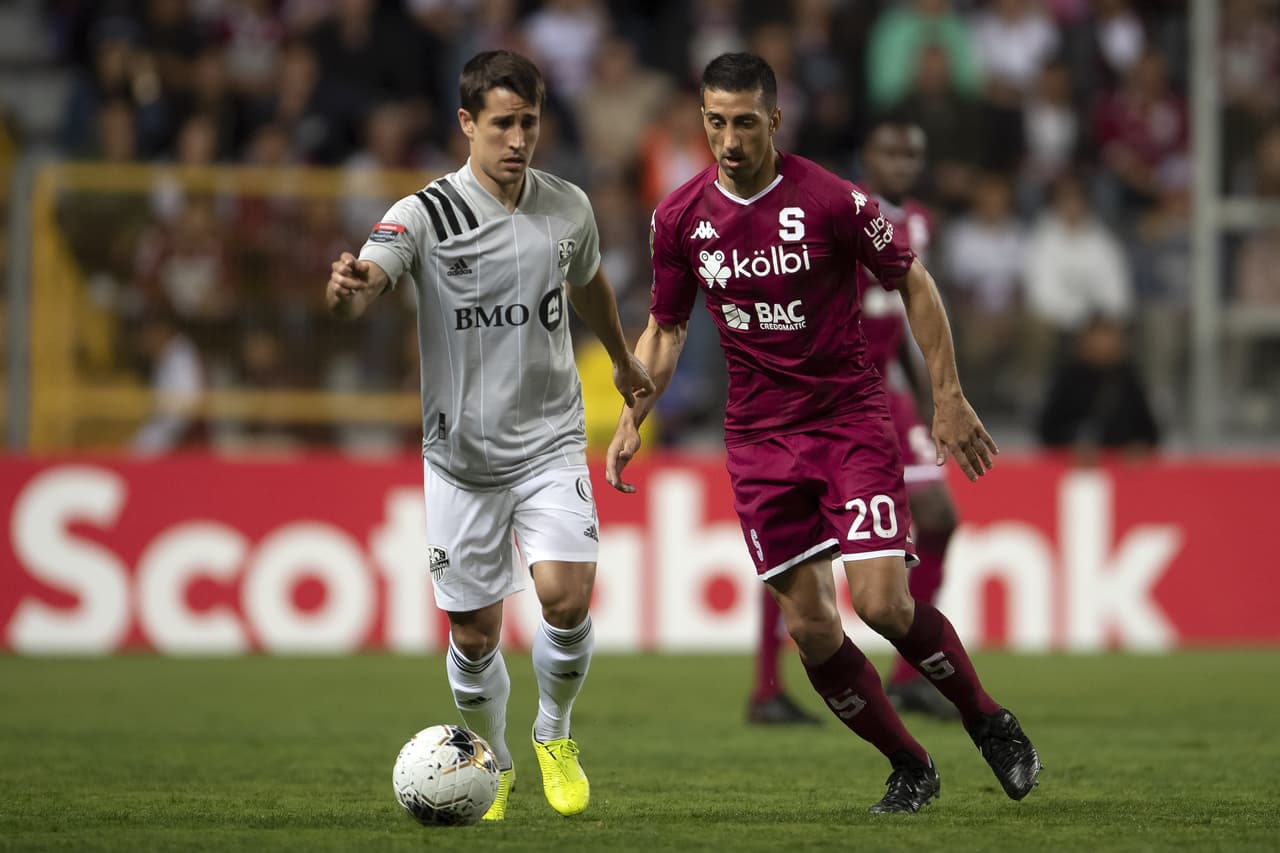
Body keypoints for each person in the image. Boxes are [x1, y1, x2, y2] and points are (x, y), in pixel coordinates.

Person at [607, 53, 1040, 814]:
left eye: (745, 122)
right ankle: (910, 763)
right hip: (758, 441)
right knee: (810, 628)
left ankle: (987, 719)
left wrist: (947, 396)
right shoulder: (678, 217)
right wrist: (632, 414)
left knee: (881, 604)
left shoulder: (835, 200)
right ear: (700, 120)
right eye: (715, 122)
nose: (730, 139)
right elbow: (666, 328)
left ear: (775, 119)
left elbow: (913, 278)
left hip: (847, 422)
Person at [326, 50, 653, 822]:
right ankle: (495, 760)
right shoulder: (423, 213)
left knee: (564, 598)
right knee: (474, 639)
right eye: (501, 124)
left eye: (529, 123)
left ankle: (554, 735)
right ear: (467, 124)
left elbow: (589, 280)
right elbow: (369, 278)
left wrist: (618, 355)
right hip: (461, 461)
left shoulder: (566, 205)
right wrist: (349, 290)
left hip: (548, 443)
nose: (517, 139)